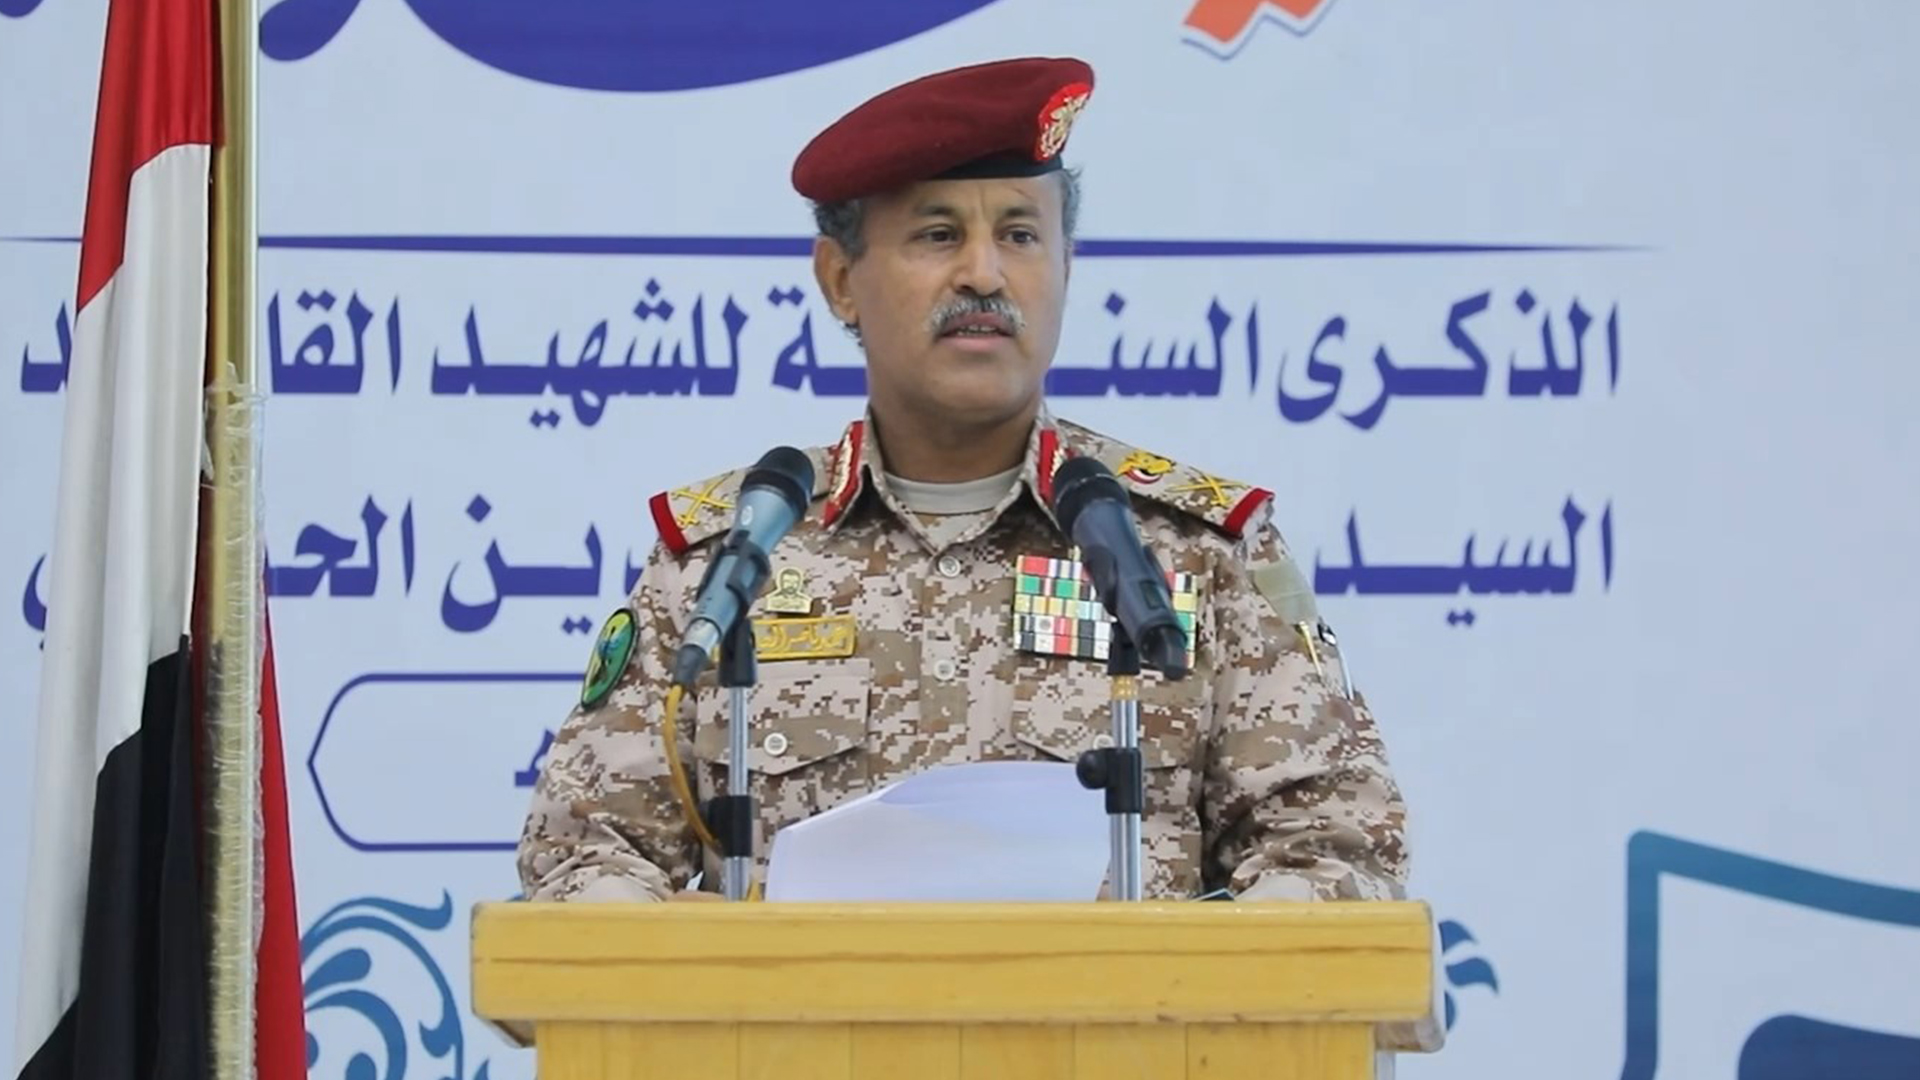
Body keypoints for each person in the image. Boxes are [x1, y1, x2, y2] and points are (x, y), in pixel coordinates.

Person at [516, 56, 1408, 904]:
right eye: (938, 235)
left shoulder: (1191, 553)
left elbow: (1332, 847)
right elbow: (586, 852)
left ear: (1065, 266)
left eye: (1019, 235)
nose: (984, 274)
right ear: (840, 281)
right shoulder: (729, 562)